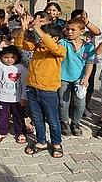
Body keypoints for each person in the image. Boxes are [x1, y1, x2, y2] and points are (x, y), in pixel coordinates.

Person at [16, 14, 66, 158]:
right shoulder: (37, 48)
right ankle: (41, 141)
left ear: (55, 39)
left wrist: (38, 29)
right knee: (37, 118)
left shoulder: (60, 50)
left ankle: (56, 143)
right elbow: (19, 44)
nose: (40, 38)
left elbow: (51, 45)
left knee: (52, 119)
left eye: (44, 35)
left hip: (49, 91)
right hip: (32, 89)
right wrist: (23, 29)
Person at [58, 19, 95, 136]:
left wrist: (86, 77)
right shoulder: (62, 43)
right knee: (63, 102)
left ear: (82, 31)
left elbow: (90, 63)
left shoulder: (88, 46)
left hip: (80, 79)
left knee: (80, 103)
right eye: (67, 29)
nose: (69, 32)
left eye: (73, 30)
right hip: (63, 77)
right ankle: (64, 122)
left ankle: (76, 123)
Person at [0, 43, 28, 144]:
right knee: (3, 116)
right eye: (6, 57)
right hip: (2, 98)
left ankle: (20, 132)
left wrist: (24, 97)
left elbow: (24, 84)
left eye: (12, 57)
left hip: (17, 99)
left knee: (18, 116)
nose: (9, 59)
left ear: (17, 57)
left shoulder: (21, 68)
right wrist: (0, 46)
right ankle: (2, 132)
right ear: (1, 57)